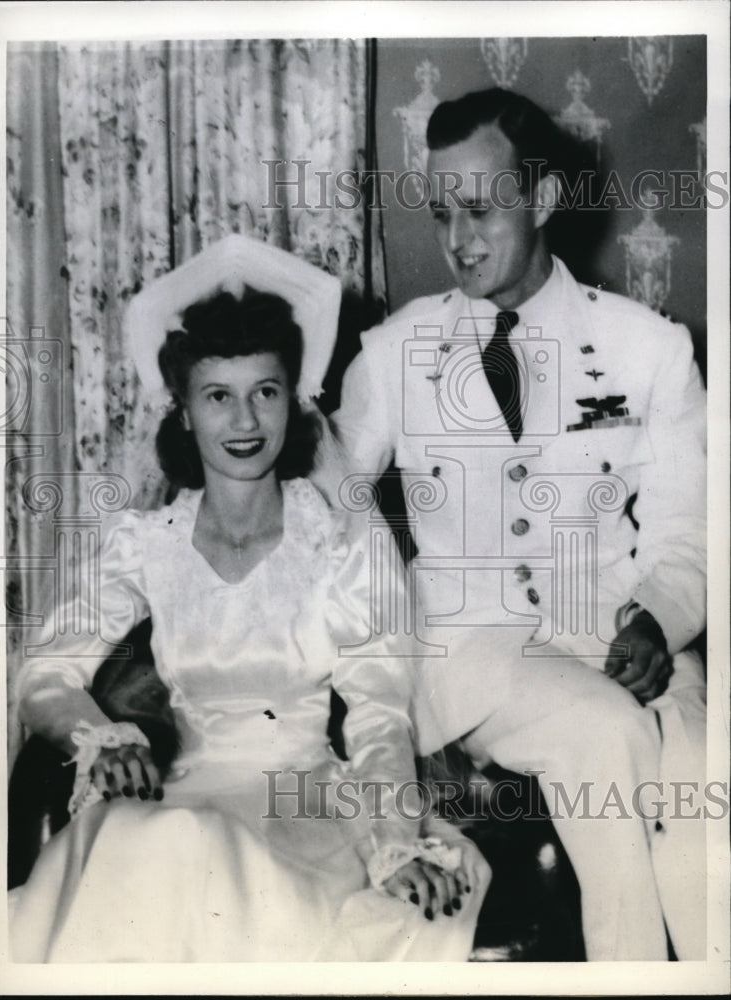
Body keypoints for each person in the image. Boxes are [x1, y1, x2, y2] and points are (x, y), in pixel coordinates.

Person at [332, 88, 707, 960]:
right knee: (604, 733)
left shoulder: (650, 348)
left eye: (480, 210)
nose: (458, 241)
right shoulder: (393, 355)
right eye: (442, 215)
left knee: (699, 789)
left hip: (618, 629)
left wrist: (661, 616)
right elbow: (332, 525)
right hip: (472, 652)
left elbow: (696, 529)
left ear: (540, 200)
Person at [9, 285, 489, 963]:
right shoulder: (146, 543)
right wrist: (100, 738)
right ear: (182, 411)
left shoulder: (338, 541)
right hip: (181, 796)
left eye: (265, 391)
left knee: (197, 859)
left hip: (308, 807)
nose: (245, 420)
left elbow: (380, 713)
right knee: (152, 847)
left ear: (293, 402)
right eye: (217, 396)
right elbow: (46, 668)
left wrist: (393, 839)